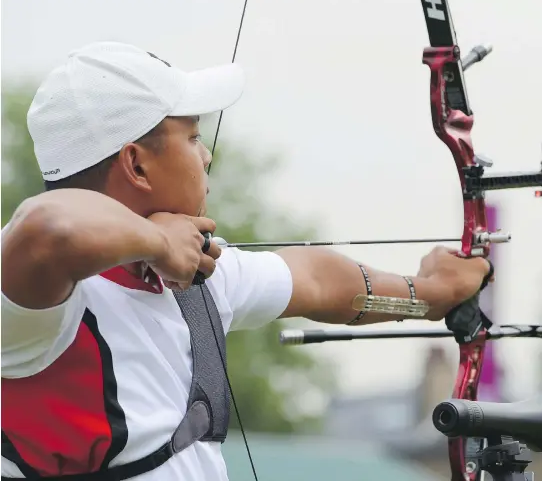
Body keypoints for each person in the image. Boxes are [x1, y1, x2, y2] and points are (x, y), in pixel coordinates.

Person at [1, 42, 491, 481]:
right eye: (192, 137)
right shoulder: (36, 311)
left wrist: (430, 296)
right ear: (136, 164)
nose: (207, 155)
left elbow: (321, 282)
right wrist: (157, 240)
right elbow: (49, 229)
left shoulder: (193, 274)